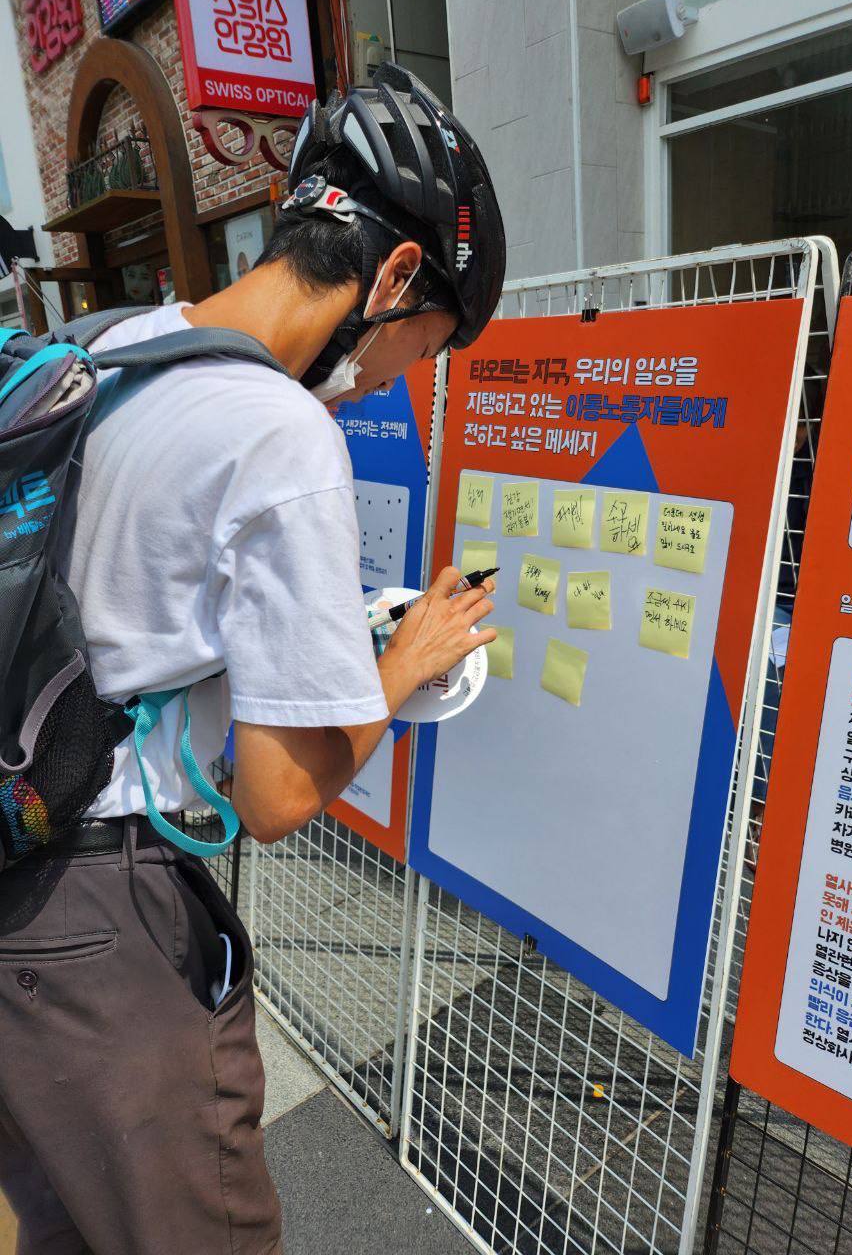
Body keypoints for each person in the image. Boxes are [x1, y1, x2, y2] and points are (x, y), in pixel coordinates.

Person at [0, 64, 505, 1255]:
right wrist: (406, 661)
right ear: (394, 276)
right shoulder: (281, 431)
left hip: (21, 877)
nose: (398, 376)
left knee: (68, 1224)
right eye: (424, 344)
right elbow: (275, 796)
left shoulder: (123, 344)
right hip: (110, 923)